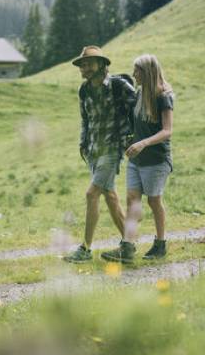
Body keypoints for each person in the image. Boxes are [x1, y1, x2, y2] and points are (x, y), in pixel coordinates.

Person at [63, 46, 136, 263]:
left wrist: (132, 137)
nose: (83, 68)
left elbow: (138, 108)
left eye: (88, 64)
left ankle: (85, 249)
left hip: (112, 149)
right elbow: (85, 120)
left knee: (91, 194)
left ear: (101, 64)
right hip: (93, 150)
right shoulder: (83, 90)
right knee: (111, 197)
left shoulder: (117, 86)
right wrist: (83, 143)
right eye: (82, 65)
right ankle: (129, 246)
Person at [103, 54, 173, 263]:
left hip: (156, 160)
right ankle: (128, 247)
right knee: (132, 200)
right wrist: (130, 139)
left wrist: (143, 143)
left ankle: (160, 244)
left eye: (137, 71)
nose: (134, 75)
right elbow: (138, 125)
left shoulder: (163, 97)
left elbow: (167, 131)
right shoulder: (140, 93)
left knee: (153, 201)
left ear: (147, 72)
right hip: (136, 160)